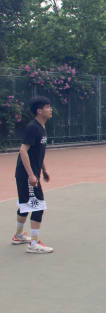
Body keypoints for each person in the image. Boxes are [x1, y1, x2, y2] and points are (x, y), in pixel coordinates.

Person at [13, 97, 54, 253]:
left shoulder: (42, 127)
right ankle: (34, 243)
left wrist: (44, 169)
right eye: (47, 107)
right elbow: (23, 150)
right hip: (26, 173)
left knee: (26, 204)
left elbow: (38, 152)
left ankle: (18, 235)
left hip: (32, 172)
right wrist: (31, 175)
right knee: (38, 205)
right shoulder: (32, 127)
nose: (50, 109)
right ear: (39, 111)